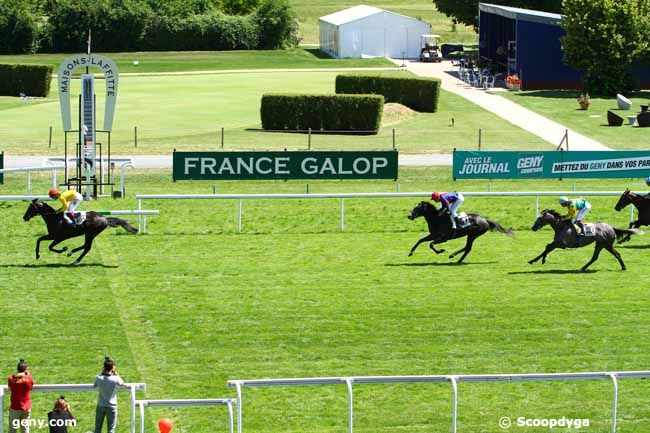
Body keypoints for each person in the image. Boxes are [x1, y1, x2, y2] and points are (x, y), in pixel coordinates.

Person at [93, 357, 124, 433]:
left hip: (101, 405)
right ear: (112, 368)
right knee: (111, 430)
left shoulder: (98, 378)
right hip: (112, 406)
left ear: (104, 367)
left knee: (97, 429)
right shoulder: (115, 378)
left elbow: (95, 385)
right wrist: (116, 372)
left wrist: (102, 372)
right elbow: (122, 383)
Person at [8, 359, 34, 433]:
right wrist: (27, 374)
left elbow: (11, 382)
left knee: (12, 430)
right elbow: (31, 384)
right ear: (25, 370)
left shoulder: (11, 379)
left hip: (15, 408)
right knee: (25, 430)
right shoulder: (29, 378)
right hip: (26, 408)